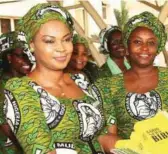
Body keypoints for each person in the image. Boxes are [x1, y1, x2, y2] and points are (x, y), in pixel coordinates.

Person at [2, 3, 110, 153]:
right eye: (49, 41)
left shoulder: (81, 81)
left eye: (66, 39)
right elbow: (42, 149)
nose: (62, 48)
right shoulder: (21, 90)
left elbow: (101, 137)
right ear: (31, 44)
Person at [95, 11, 168, 149]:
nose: (145, 48)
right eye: (137, 42)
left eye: (151, 43)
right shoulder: (107, 87)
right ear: (127, 48)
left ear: (157, 48)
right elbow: (108, 138)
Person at [0, 31, 30, 154]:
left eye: (28, 54)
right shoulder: (3, 85)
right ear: (9, 57)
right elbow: (4, 124)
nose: (27, 60)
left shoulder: (28, 81)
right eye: (21, 55)